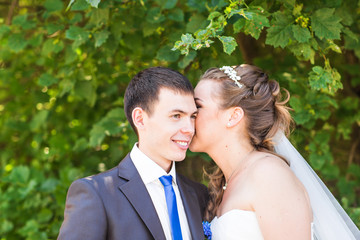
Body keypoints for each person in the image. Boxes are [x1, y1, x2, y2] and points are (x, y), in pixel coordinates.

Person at [190, 64, 360, 240]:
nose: (189, 113)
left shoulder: (269, 175)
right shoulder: (229, 181)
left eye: (197, 106)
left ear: (233, 117)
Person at [57, 66, 208, 240]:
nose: (189, 129)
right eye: (176, 116)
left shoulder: (199, 194)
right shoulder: (97, 194)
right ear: (140, 119)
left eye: (192, 116)